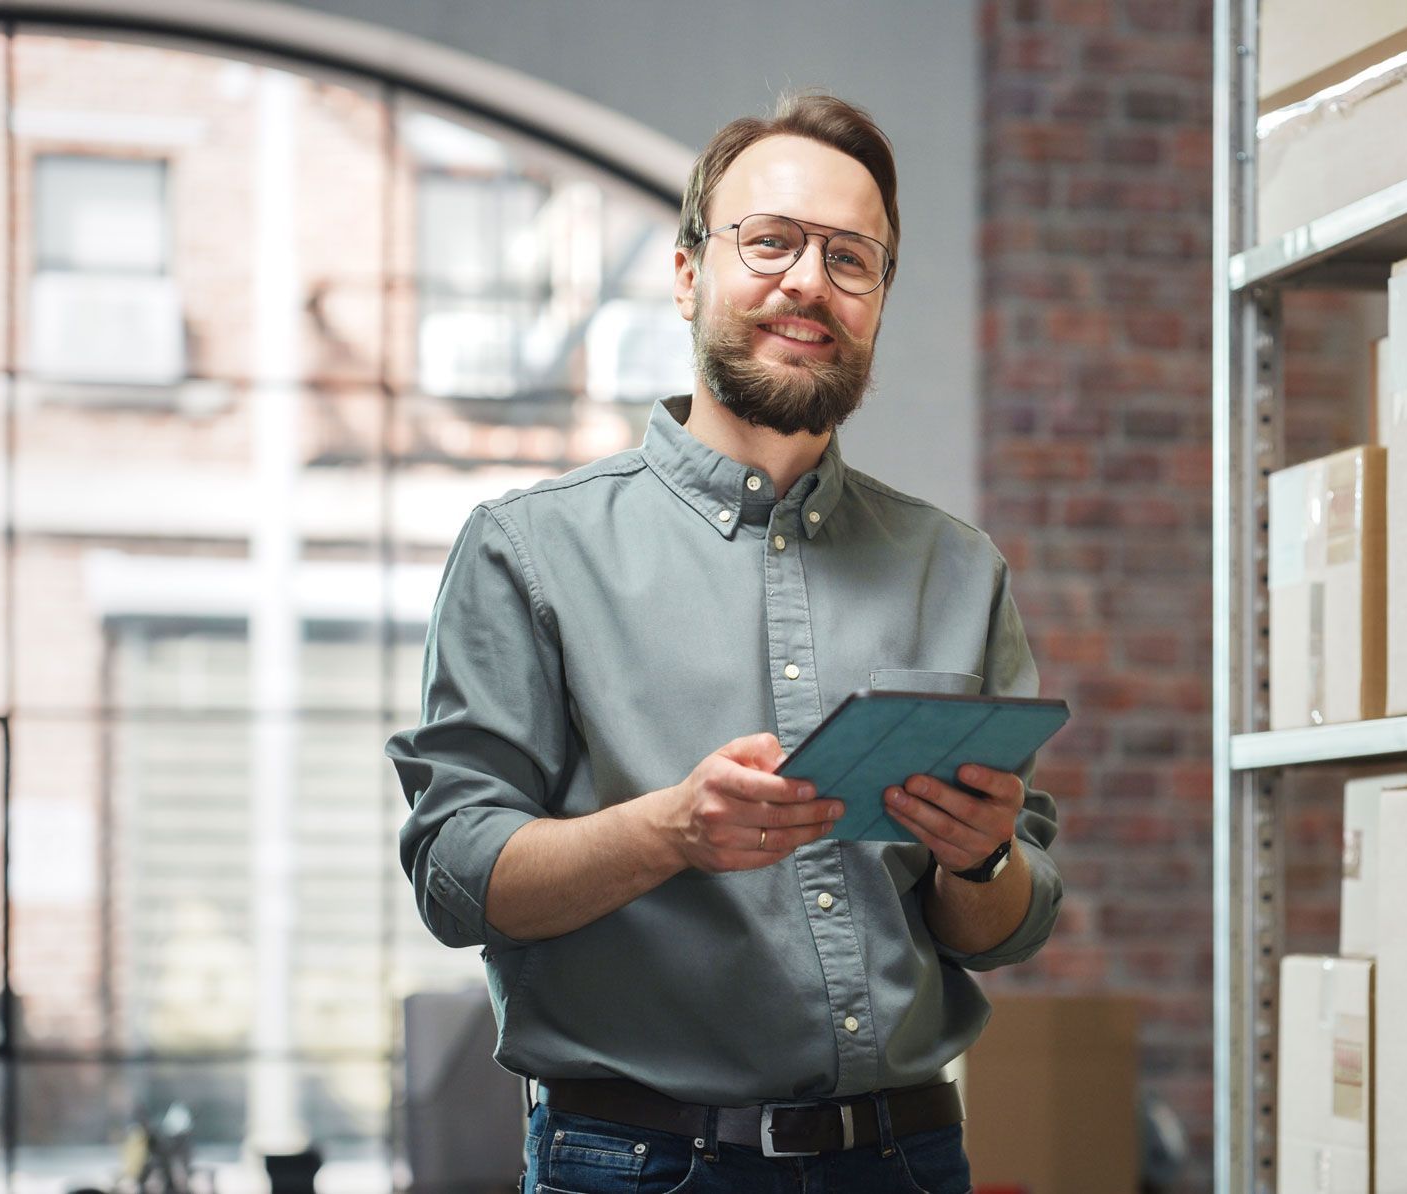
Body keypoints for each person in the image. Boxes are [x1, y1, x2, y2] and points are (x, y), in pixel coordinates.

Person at [388, 92, 1063, 1194]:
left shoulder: (958, 568)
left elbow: (1000, 927)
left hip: (906, 1159)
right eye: (772, 242)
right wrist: (669, 831)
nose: (809, 282)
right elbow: (456, 878)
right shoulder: (527, 552)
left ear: (881, 300)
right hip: (637, 1163)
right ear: (689, 271)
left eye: (853, 259)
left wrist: (979, 854)